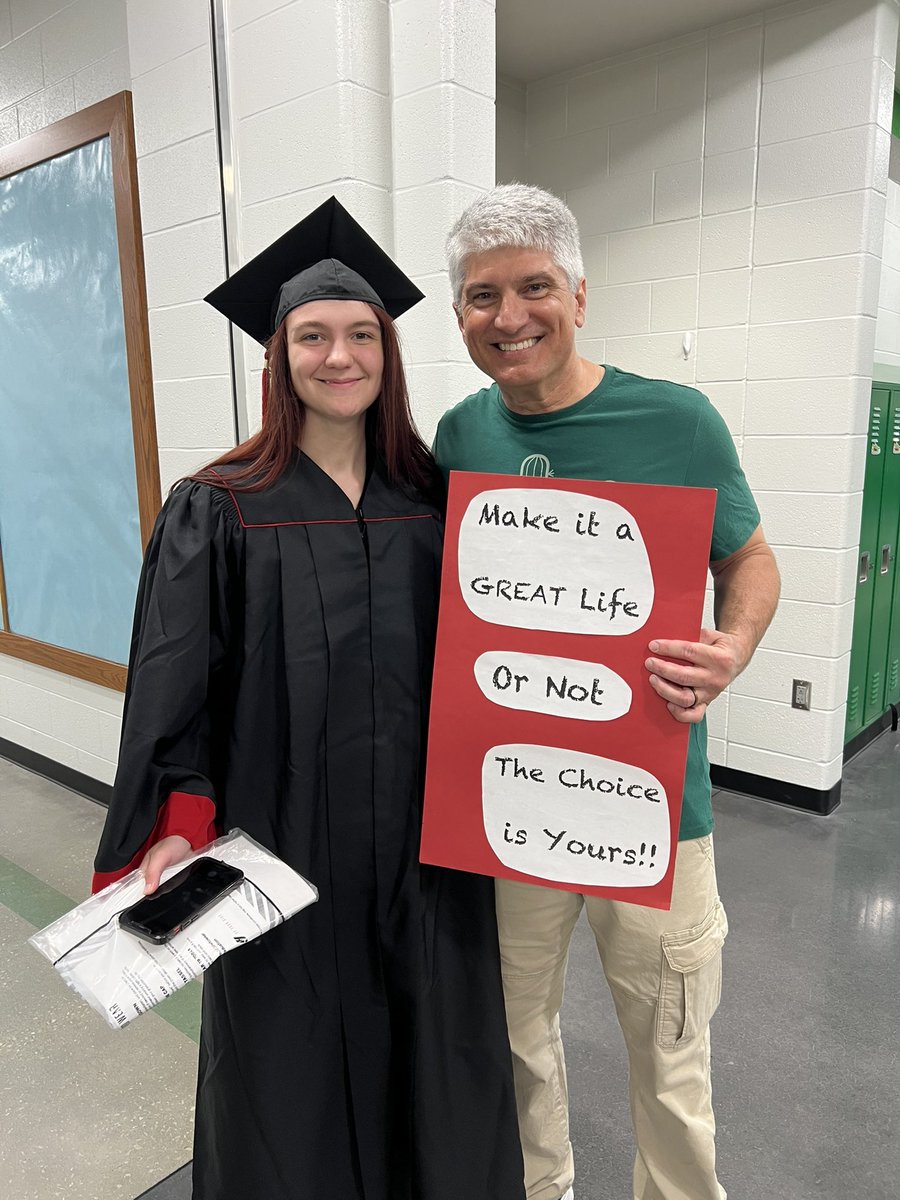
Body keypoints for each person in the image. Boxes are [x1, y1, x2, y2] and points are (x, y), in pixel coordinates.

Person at [92, 198, 525, 1200]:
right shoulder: (223, 505)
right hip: (282, 844)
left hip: (429, 855)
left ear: (390, 353)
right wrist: (175, 822)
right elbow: (173, 688)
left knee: (438, 1053)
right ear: (279, 358)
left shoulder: (440, 501)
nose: (340, 356)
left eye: (362, 334)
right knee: (284, 1073)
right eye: (313, 336)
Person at [433, 183, 781, 1200]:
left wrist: (735, 645)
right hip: (513, 802)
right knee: (513, 1042)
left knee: (669, 1055)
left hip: (655, 806)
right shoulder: (460, 438)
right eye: (481, 296)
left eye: (533, 287)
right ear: (459, 314)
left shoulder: (678, 420)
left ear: (580, 294)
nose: (509, 318)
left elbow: (750, 559)